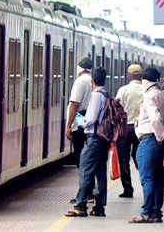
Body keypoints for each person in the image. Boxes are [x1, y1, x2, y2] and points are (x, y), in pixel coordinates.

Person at [65, 68, 109, 218]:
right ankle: (99, 206)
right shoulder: (105, 94)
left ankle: (81, 205)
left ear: (92, 81)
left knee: (85, 170)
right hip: (103, 139)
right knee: (100, 172)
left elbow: (90, 119)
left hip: (94, 138)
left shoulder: (96, 95)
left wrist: (78, 120)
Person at [129, 68, 164, 224]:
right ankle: (156, 212)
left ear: (145, 80)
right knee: (158, 177)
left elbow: (155, 118)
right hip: (159, 143)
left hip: (149, 140)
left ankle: (146, 212)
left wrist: (160, 136)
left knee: (147, 177)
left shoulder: (149, 96)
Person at [115, 64, 144, 198]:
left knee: (123, 158)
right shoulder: (145, 89)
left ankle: (128, 189)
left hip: (125, 128)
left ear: (129, 75)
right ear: (141, 75)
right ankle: (145, 183)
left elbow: (116, 106)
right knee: (141, 157)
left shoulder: (123, 90)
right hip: (141, 128)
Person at [66, 57, 93, 167]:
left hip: (80, 121)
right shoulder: (92, 79)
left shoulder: (80, 81)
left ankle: (84, 180)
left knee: (80, 155)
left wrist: (68, 126)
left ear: (79, 69)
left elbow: (74, 105)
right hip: (90, 120)